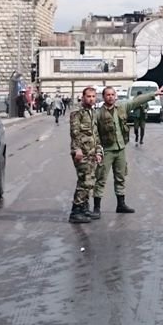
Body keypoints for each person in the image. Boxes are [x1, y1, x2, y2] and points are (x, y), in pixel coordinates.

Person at [92, 85, 163, 216]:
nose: (110, 97)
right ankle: (97, 208)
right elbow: (95, 134)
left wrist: (154, 94)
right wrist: (97, 151)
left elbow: (136, 101)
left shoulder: (122, 107)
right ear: (103, 97)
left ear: (116, 96)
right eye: (108, 95)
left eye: (112, 94)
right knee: (101, 178)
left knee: (120, 177)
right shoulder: (98, 114)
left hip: (120, 149)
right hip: (107, 150)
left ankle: (121, 204)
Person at [69, 87, 103, 223]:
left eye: (93, 96)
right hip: (81, 153)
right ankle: (76, 211)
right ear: (83, 97)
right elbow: (74, 132)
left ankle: (84, 207)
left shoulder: (93, 112)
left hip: (91, 152)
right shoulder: (78, 112)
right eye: (88, 96)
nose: (91, 99)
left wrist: (98, 151)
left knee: (90, 181)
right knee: (85, 181)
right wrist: (77, 149)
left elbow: (95, 134)